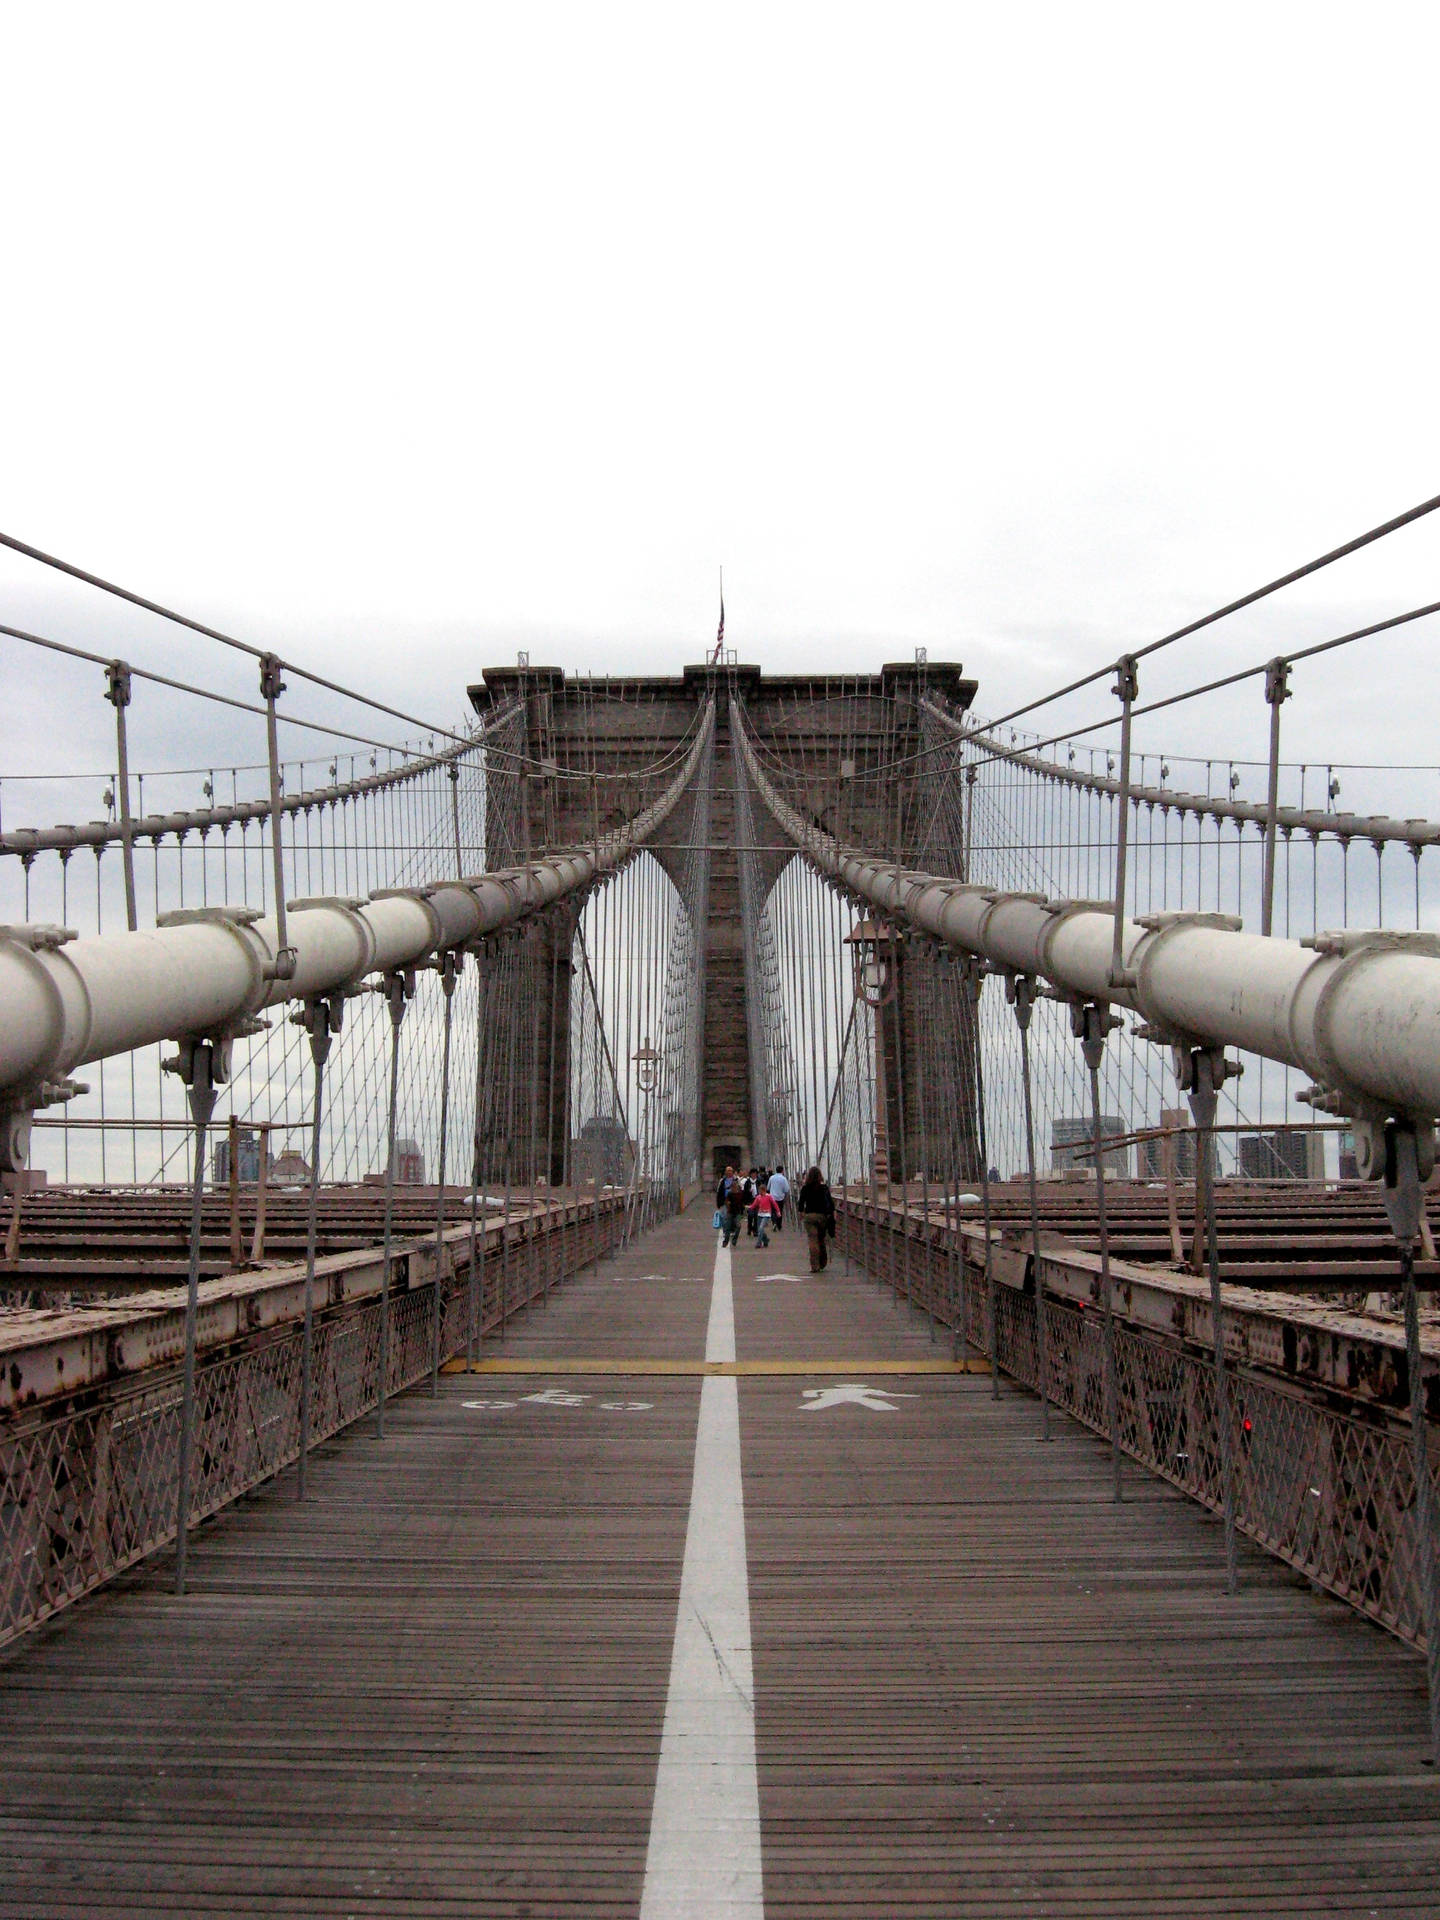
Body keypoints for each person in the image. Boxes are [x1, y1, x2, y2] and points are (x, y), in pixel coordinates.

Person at [797, 1165, 835, 1272]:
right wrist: (831, 1214)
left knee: (812, 1240)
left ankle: (814, 1266)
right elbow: (831, 1204)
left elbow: (801, 1203)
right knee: (821, 1239)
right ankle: (822, 1262)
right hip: (822, 1217)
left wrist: (801, 1213)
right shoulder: (824, 1188)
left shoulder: (805, 1188)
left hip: (809, 1217)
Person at [749, 1183, 779, 1248]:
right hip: (760, 1214)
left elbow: (774, 1204)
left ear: (763, 1190)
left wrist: (778, 1211)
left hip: (767, 1214)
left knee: (761, 1228)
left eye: (760, 1190)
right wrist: (750, 1208)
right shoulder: (758, 1197)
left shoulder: (769, 1196)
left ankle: (759, 1243)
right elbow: (754, 1204)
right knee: (760, 1229)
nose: (760, 1192)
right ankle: (765, 1240)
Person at [767, 1163, 789, 1234]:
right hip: (780, 1197)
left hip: (772, 1197)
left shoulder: (771, 1177)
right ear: (782, 1171)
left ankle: (774, 1222)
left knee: (773, 1211)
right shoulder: (784, 1179)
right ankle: (779, 1224)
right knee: (779, 1211)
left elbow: (768, 1187)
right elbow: (786, 1189)